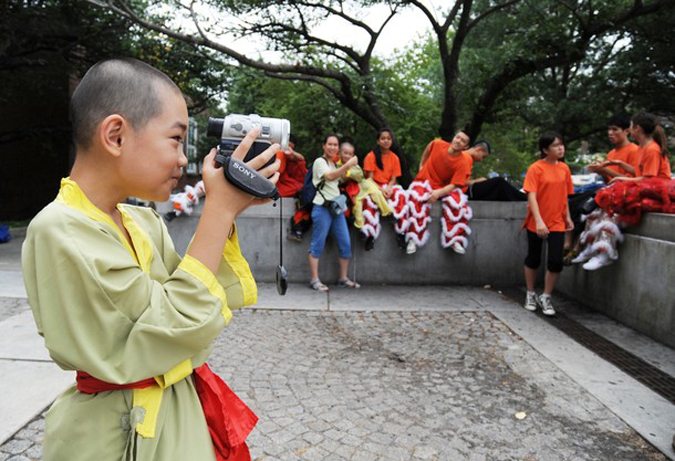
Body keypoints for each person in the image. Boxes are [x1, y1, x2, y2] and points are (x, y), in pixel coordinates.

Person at [21, 58, 280, 461]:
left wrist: (229, 209)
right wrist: (218, 211)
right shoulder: (58, 229)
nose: (182, 159)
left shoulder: (143, 221)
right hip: (115, 430)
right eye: (176, 140)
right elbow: (174, 329)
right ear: (116, 135)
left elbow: (198, 307)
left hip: (179, 415)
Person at [572, 112, 671, 270]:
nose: (630, 130)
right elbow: (639, 174)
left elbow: (650, 180)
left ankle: (605, 252)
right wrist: (618, 164)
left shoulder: (652, 149)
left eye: (631, 127)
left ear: (636, 128)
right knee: (602, 201)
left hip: (658, 193)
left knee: (613, 202)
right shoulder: (643, 148)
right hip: (646, 189)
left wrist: (620, 179)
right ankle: (590, 247)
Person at [565, 114, 640, 266]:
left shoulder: (634, 150)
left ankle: (576, 248)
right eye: (609, 130)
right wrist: (601, 171)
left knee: (588, 203)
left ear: (627, 131)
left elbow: (628, 179)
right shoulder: (611, 153)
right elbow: (609, 181)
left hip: (623, 193)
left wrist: (605, 170)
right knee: (573, 200)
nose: (610, 133)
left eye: (615, 129)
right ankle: (569, 245)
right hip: (608, 190)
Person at [400, 132, 490, 255]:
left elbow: (455, 184)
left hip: (443, 187)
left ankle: (454, 238)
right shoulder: (438, 144)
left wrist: (438, 193)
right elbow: (428, 148)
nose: (458, 141)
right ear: (453, 138)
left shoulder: (463, 161)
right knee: (416, 198)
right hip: (424, 182)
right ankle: (413, 238)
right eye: (457, 137)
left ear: (465, 147)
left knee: (458, 202)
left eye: (462, 141)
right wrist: (422, 166)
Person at [523, 132, 575, 316]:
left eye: (561, 144)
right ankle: (530, 293)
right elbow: (531, 195)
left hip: (557, 222)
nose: (561, 148)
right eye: (555, 145)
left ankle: (546, 296)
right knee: (534, 258)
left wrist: (567, 217)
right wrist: (538, 221)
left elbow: (565, 196)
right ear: (545, 149)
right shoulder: (535, 168)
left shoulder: (565, 169)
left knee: (555, 261)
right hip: (536, 221)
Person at [307, 134, 360, 291]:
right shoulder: (320, 162)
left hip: (336, 209)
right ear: (324, 146)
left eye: (335, 145)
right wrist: (348, 164)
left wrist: (349, 167)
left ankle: (343, 278)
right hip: (322, 208)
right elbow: (329, 177)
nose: (332, 147)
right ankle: (314, 280)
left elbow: (342, 178)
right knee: (317, 244)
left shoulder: (336, 164)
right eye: (329, 144)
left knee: (345, 243)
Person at [339, 139, 393, 250]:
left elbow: (359, 175)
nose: (347, 156)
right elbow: (340, 179)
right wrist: (344, 173)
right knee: (357, 206)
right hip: (352, 190)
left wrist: (348, 172)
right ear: (340, 153)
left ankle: (388, 212)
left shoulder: (354, 165)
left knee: (376, 193)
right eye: (345, 153)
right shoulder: (337, 164)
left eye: (350, 154)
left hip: (363, 184)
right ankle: (361, 228)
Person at [362, 128, 403, 250]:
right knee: (369, 200)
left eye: (388, 139)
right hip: (373, 186)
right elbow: (370, 180)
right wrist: (381, 190)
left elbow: (393, 179)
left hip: (388, 186)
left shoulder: (395, 158)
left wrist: (389, 188)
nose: (386, 141)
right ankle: (369, 235)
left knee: (401, 196)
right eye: (383, 138)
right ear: (378, 141)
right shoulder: (370, 156)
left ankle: (401, 233)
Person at [275, 134, 311, 241]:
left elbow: (301, 160)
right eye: (287, 146)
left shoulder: (290, 158)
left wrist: (291, 153)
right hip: (282, 185)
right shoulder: (278, 153)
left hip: (291, 187)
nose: (288, 150)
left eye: (291, 147)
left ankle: (297, 229)